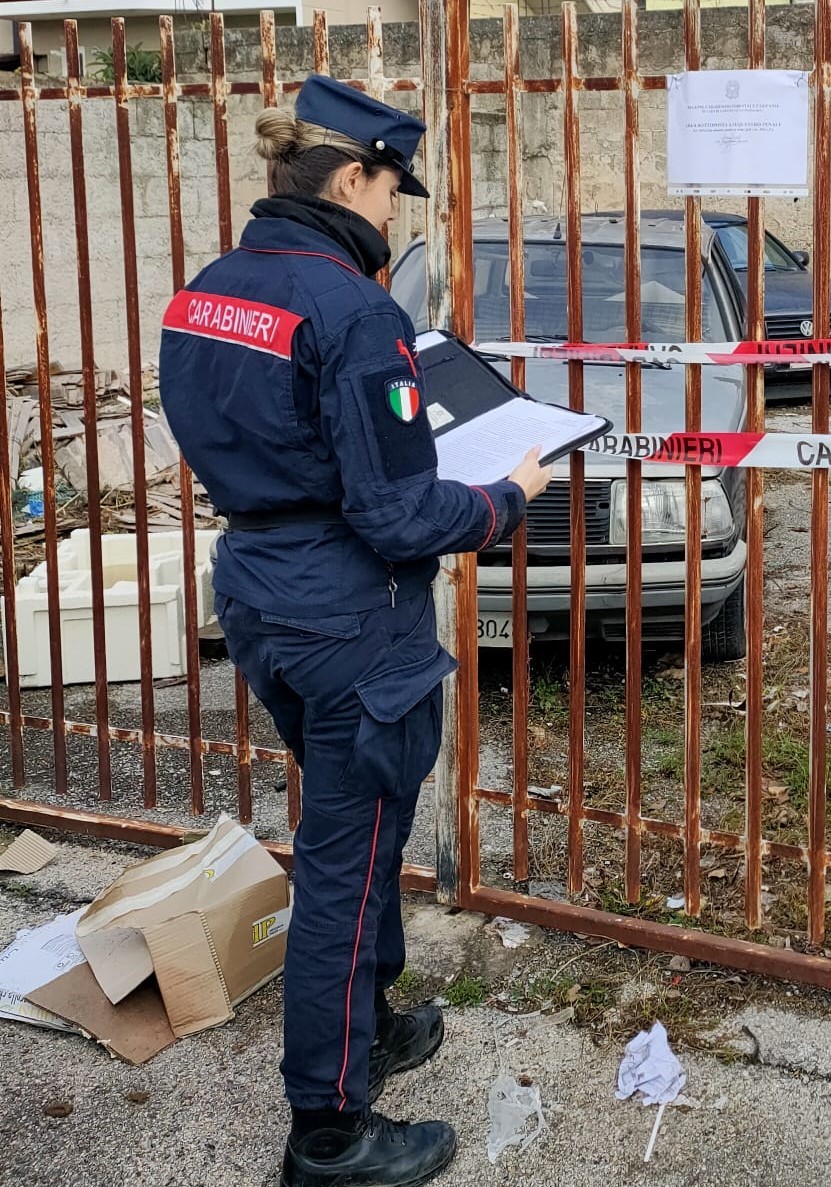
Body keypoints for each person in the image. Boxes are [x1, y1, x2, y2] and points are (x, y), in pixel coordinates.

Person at [157, 75, 552, 1187]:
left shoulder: (206, 291)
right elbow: (397, 514)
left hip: (259, 591)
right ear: (349, 180)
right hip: (350, 619)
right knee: (345, 859)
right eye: (389, 189)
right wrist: (506, 495)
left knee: (357, 829)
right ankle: (327, 1128)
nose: (393, 211)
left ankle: (366, 1024)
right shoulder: (355, 310)